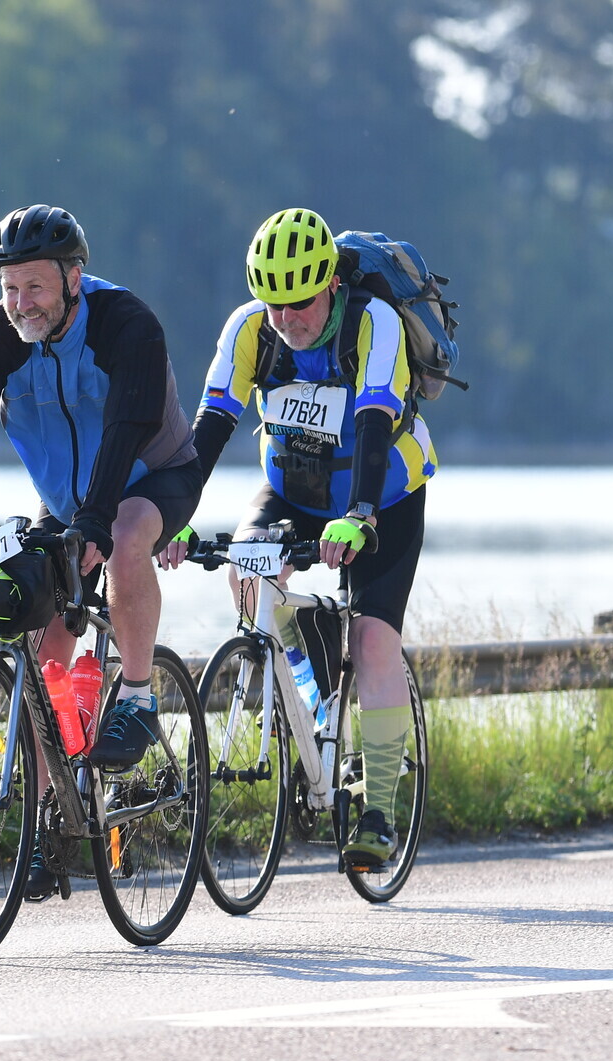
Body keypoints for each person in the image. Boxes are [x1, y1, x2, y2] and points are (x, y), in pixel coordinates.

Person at [0, 204, 203, 894]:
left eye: (35, 286)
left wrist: (95, 522)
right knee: (41, 649)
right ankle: (45, 823)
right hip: (66, 500)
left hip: (153, 476)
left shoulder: (127, 326)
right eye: (10, 288)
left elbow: (124, 429)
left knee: (125, 537)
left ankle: (139, 697)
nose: (21, 303)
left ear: (73, 278)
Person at [176, 207, 439, 872]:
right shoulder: (249, 330)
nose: (287, 320)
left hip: (383, 491)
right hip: (292, 489)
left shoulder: (372, 324)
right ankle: (309, 690)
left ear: (331, 285)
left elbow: (374, 422)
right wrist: (171, 513)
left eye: (301, 304)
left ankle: (378, 806)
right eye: (275, 306)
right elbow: (211, 427)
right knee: (246, 573)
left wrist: (361, 515)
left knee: (373, 640)